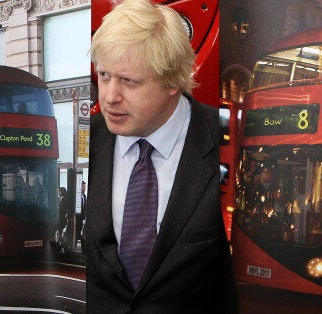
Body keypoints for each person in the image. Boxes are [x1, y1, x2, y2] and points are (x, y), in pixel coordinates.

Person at [86, 0, 238, 312]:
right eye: (104, 75)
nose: (110, 96)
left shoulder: (224, 137)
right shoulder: (89, 138)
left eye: (128, 81)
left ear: (173, 81)